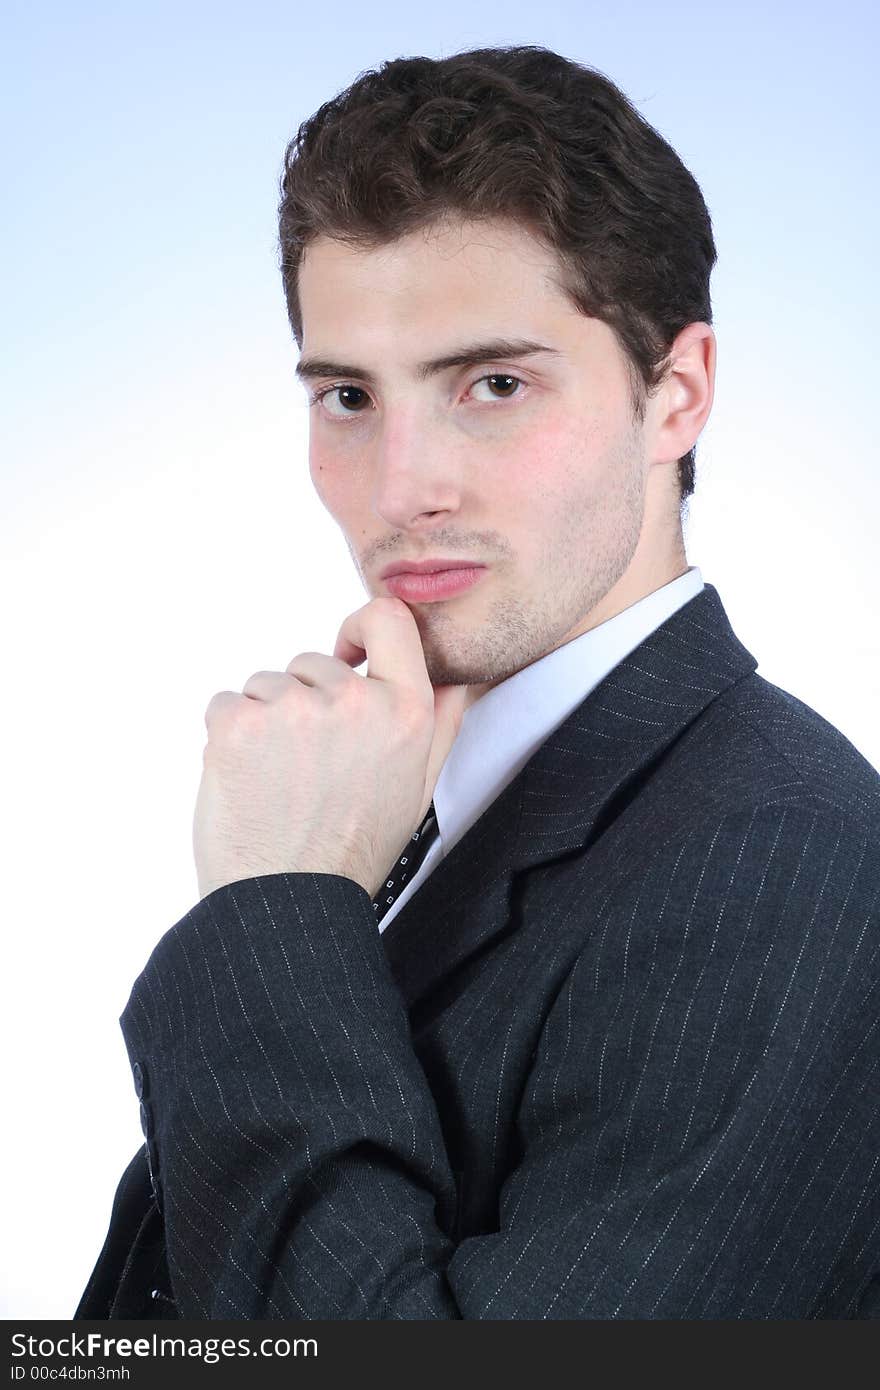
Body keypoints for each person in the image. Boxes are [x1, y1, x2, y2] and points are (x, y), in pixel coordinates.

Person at [75, 44, 880, 1320]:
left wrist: (280, 905)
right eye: (347, 395)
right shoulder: (402, 786)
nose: (400, 491)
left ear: (677, 395)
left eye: (492, 385)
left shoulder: (791, 869)